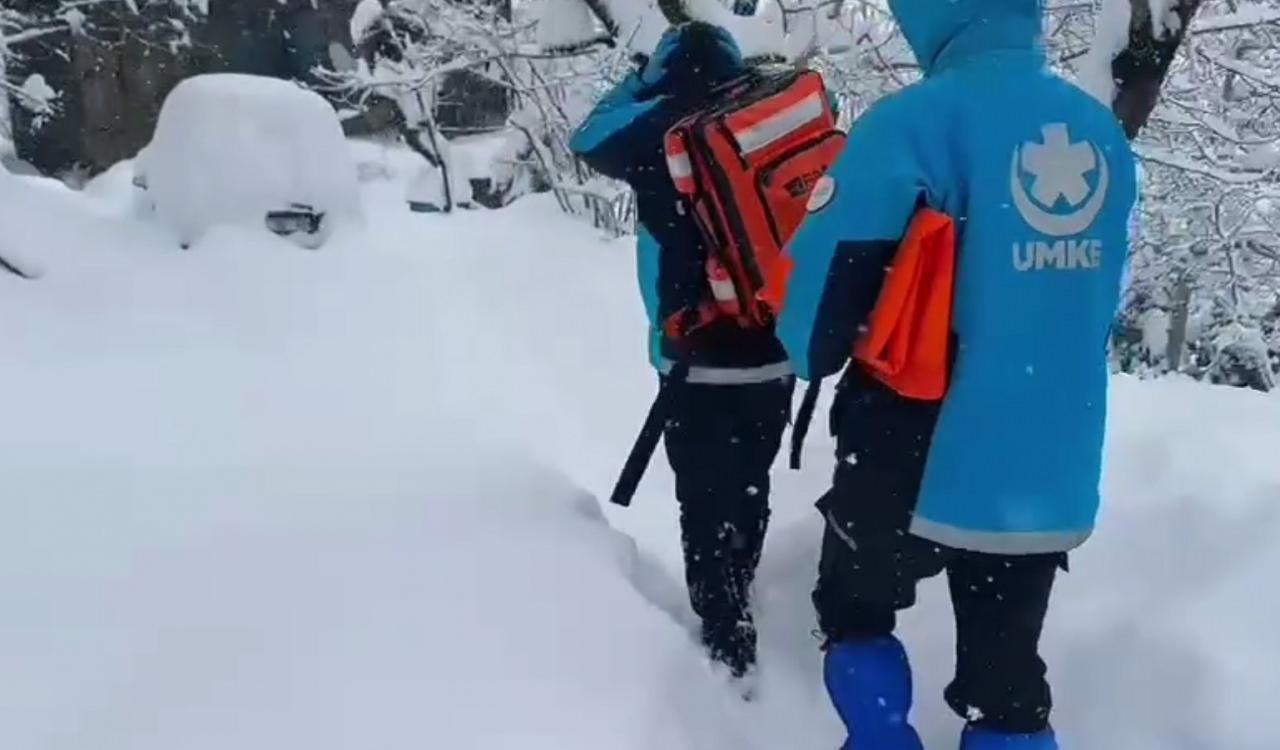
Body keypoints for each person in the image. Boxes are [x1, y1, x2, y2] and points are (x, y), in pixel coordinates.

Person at [771, 0, 1137, 747]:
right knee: (1007, 672)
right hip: (1049, 450)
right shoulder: (1098, 131)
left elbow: (817, 303)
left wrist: (807, 348)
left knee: (854, 607)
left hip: (914, 442)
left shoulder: (914, 123)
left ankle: (880, 737)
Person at [569, 23, 794, 680]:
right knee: (751, 478)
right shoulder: (764, 123)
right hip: (774, 346)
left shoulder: (655, 131)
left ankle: (723, 624)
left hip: (691, 356)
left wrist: (643, 82)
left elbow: (588, 136)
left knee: (702, 492)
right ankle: (740, 583)